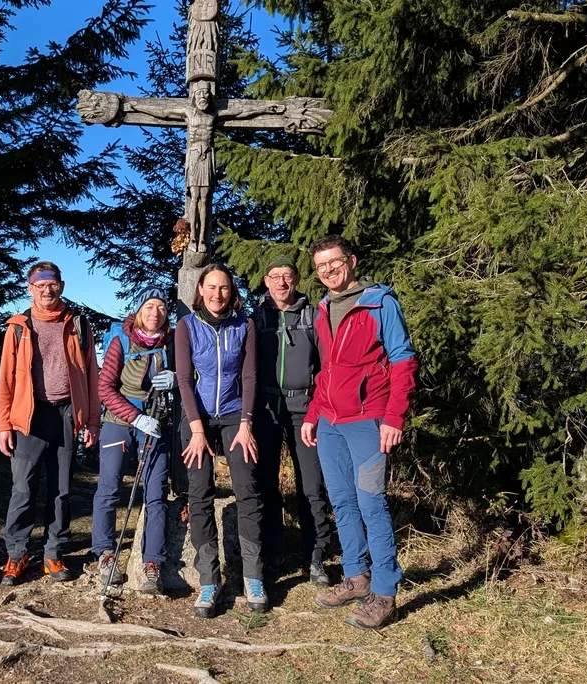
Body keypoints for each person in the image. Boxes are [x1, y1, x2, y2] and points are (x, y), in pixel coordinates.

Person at [301, 235, 418, 629]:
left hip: (369, 420)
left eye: (334, 262)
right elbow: (327, 370)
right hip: (330, 423)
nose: (328, 270)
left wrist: (395, 418)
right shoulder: (323, 309)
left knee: (371, 504)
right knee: (343, 502)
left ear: (350, 261)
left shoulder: (379, 302)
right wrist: (313, 414)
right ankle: (356, 577)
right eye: (321, 266)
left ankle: (384, 593)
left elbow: (403, 360)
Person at [0, 262, 100, 585]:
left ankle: (53, 552)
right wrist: (3, 425)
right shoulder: (19, 327)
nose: (47, 290)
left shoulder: (78, 325)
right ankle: (17, 553)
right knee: (23, 488)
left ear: (62, 286)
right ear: (30, 289)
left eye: (52, 284)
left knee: (61, 489)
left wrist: (92, 421)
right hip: (29, 417)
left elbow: (92, 375)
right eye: (40, 286)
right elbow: (6, 379)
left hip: (66, 413)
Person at [175, 263, 265, 617]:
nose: (217, 294)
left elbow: (250, 376)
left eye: (224, 288)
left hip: (234, 414)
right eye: (211, 287)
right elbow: (184, 380)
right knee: (200, 493)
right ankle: (209, 580)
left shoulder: (245, 325)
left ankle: (253, 577)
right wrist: (197, 430)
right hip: (197, 415)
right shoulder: (187, 326)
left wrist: (246, 424)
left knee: (248, 490)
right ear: (200, 290)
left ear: (231, 292)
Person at [251, 255, 334, 586]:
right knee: (267, 484)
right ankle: (274, 553)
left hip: (305, 410)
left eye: (287, 276)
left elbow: (326, 366)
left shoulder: (312, 316)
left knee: (311, 487)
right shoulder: (257, 318)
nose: (281, 282)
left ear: (297, 279)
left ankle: (316, 556)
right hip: (267, 410)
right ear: (266, 281)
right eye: (275, 276)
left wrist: (318, 407)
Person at [92, 287, 177, 595]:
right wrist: (136, 417)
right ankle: (105, 553)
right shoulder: (122, 339)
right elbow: (105, 388)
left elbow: (191, 376)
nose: (155, 313)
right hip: (119, 422)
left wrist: (176, 380)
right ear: (139, 310)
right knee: (109, 487)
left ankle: (152, 562)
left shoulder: (171, 342)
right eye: (149, 307)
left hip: (156, 424)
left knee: (155, 493)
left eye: (161, 308)